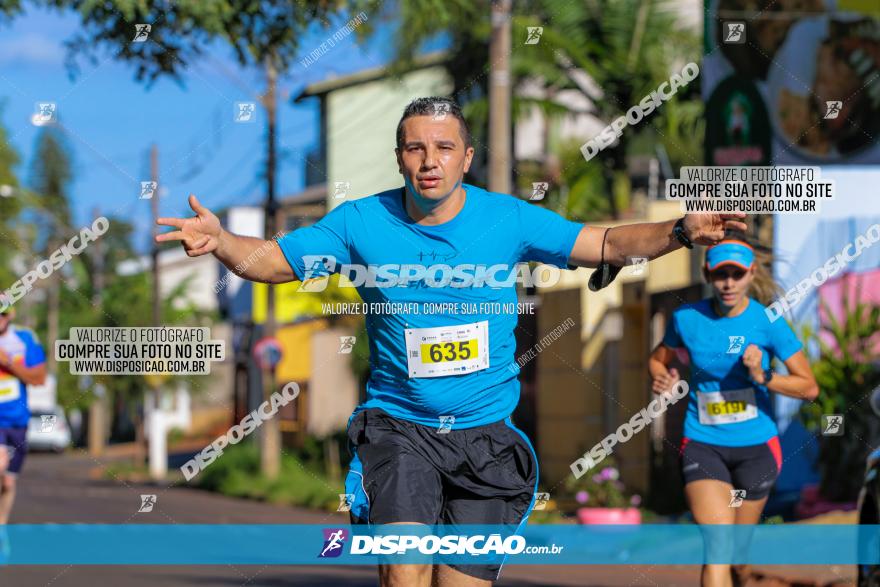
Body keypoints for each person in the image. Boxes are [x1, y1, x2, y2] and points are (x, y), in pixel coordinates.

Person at [158, 96, 746, 587]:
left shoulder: (508, 219)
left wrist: (677, 231)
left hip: (486, 436)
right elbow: (277, 261)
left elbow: (607, 244)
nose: (429, 161)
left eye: (443, 147)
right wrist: (223, 242)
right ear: (399, 158)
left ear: (466, 157)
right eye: (415, 147)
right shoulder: (360, 222)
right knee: (404, 574)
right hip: (400, 429)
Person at [648, 237, 818, 587]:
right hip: (703, 442)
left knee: (737, 556)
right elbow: (657, 359)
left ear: (750, 274)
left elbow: (809, 387)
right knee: (718, 546)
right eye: (720, 274)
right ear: (707, 274)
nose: (728, 283)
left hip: (757, 449)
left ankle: (743, 574)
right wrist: (663, 376)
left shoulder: (768, 322)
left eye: (736, 274)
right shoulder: (686, 319)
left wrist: (763, 375)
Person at [0, 297, 47, 525]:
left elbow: (38, 378)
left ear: (11, 314)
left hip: (17, 421)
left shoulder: (25, 339)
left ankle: (2, 526)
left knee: (8, 482)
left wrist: (8, 363)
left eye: (3, 313)